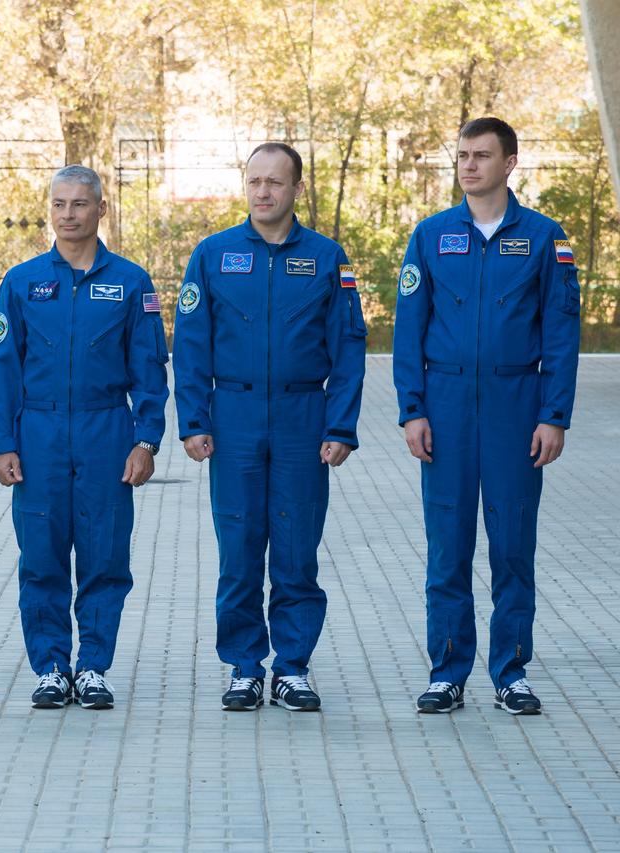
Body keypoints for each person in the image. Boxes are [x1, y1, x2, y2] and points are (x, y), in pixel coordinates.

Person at [393, 117, 580, 716]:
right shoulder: (430, 236)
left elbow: (561, 332)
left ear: (510, 163)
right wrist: (412, 410)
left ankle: (511, 672)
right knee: (447, 549)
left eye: (481, 156)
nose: (469, 166)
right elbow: (408, 332)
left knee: (512, 548)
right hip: (444, 412)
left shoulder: (546, 239)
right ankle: (447, 671)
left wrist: (553, 415)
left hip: (515, 409)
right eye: (463, 157)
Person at [173, 142, 366, 713]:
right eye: (255, 181)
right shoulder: (213, 254)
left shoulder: (328, 258)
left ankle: (293, 667)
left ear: (297, 190)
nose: (263, 192)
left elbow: (349, 350)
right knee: (239, 549)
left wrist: (341, 425)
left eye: (275, 183)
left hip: (302, 421)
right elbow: (190, 347)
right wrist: (192, 420)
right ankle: (242, 665)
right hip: (232, 420)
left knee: (295, 549)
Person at [0, 165, 169, 711]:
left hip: (106, 431)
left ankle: (92, 666)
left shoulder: (131, 282)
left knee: (104, 555)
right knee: (40, 555)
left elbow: (151, 369)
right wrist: (4, 443)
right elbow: (2, 371)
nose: (68, 214)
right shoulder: (22, 282)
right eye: (60, 204)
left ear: (100, 210)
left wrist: (147, 440)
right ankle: (49, 666)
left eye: (80, 204)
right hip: (38, 434)